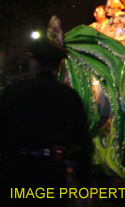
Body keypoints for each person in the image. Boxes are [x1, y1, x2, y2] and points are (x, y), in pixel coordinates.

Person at [0, 39, 93, 205]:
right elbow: (83, 143)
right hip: (53, 174)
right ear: (57, 66)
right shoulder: (70, 97)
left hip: (18, 171)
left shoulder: (14, 92)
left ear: (35, 63)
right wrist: (85, 186)